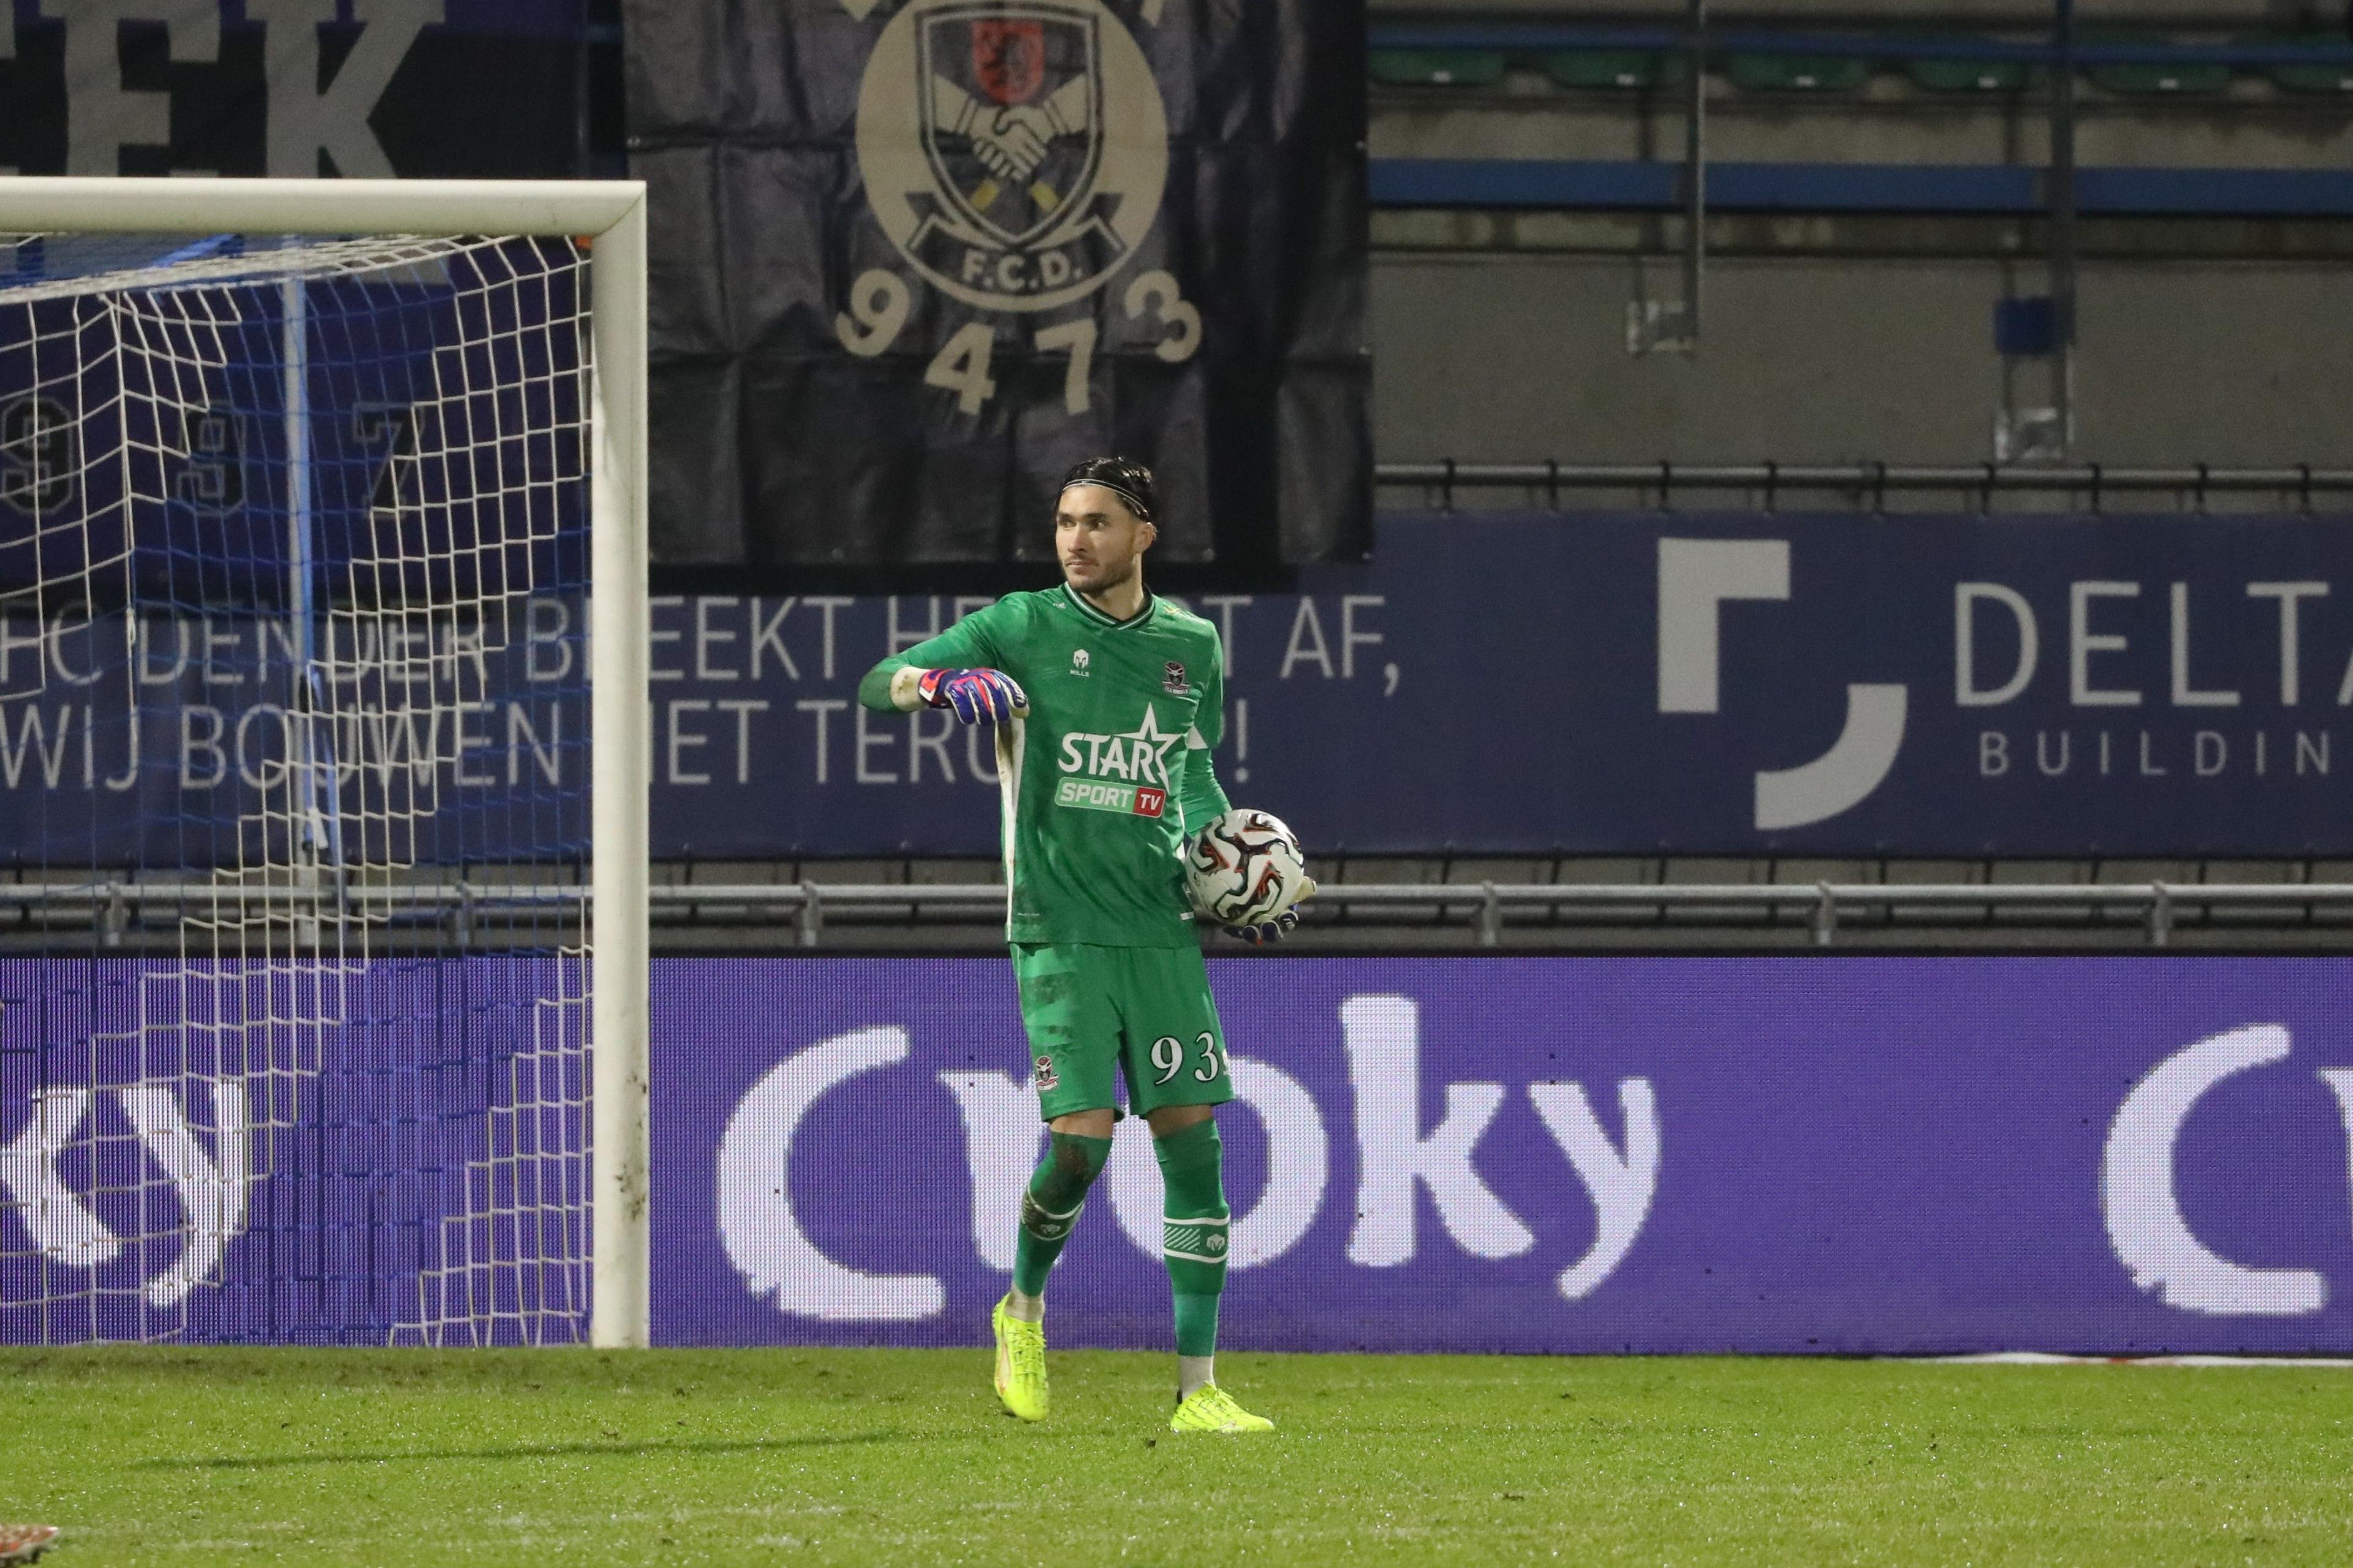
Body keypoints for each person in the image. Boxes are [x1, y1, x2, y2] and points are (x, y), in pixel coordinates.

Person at [857, 456, 1308, 1434]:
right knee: (1081, 1149)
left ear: (1143, 534)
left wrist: (1235, 866)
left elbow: (1189, 775)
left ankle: (1200, 1390)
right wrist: (939, 685)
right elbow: (875, 683)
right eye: (1065, 521)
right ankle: (1022, 1309)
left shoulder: (1190, 645)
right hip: (1057, 924)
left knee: (1195, 1141)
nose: (1075, 540)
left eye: (1097, 522)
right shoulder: (1022, 625)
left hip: (1156, 925)